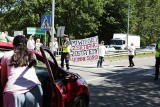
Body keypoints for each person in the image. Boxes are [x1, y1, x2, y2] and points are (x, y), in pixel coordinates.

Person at [1, 35, 43, 107]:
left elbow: (3, 78)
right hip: (34, 89)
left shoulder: (6, 55)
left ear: (13, 45)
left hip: (13, 91)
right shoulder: (32, 55)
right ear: (26, 45)